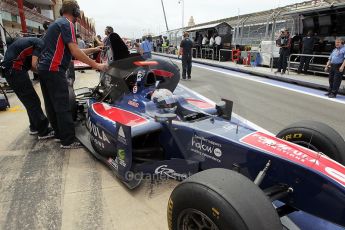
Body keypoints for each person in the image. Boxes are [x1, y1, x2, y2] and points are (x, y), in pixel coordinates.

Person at [37, 0, 107, 149]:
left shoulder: (57, 23)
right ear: (75, 12)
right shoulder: (67, 24)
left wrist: (94, 50)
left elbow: (73, 51)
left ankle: (59, 135)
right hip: (55, 69)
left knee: (51, 104)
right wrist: (97, 64)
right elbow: (75, 51)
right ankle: (67, 141)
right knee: (63, 105)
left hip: (44, 69)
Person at [2, 37, 52, 138]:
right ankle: (43, 131)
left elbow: (32, 66)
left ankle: (34, 127)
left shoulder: (33, 41)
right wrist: (48, 74)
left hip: (11, 70)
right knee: (33, 100)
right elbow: (34, 65)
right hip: (15, 70)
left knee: (29, 101)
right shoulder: (40, 43)